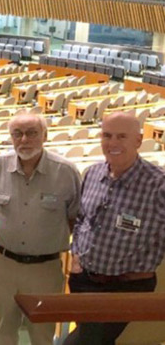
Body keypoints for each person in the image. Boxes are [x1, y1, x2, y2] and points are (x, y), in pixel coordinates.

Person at [0, 113, 81, 345]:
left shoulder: (66, 172)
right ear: (11, 137)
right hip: (3, 264)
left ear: (45, 135)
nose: (24, 139)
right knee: (5, 330)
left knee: (42, 334)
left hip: (44, 269)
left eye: (32, 133)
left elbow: (76, 219)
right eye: (17, 134)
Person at [66, 112, 165, 345]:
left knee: (81, 342)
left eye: (121, 137)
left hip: (127, 286)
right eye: (107, 135)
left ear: (138, 141)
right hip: (84, 281)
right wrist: (76, 253)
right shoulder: (92, 173)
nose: (113, 143)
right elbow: (82, 219)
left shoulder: (158, 185)